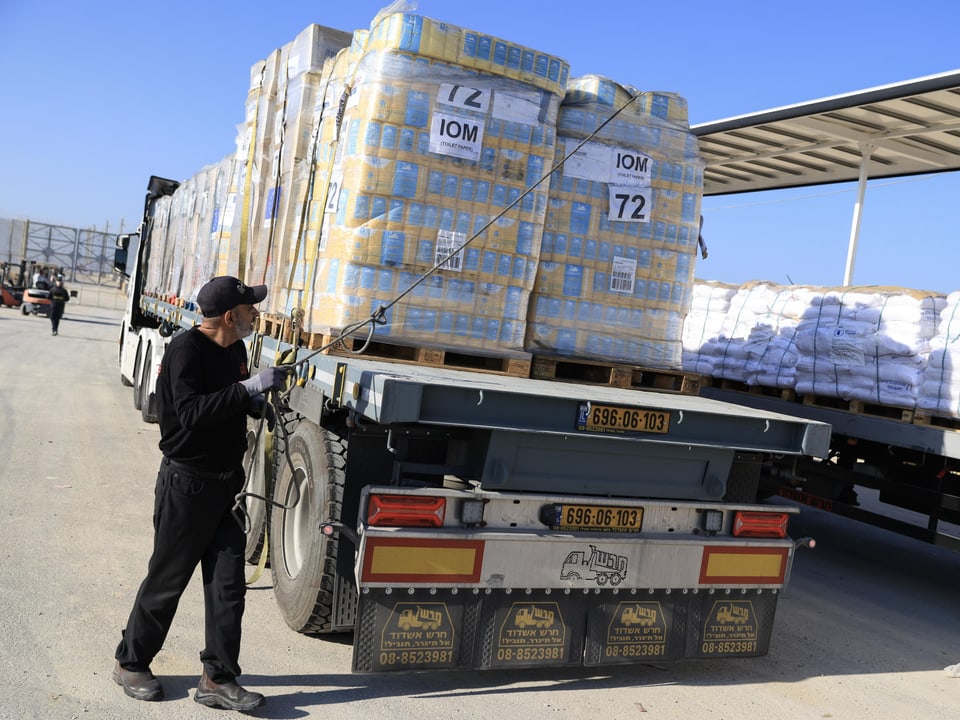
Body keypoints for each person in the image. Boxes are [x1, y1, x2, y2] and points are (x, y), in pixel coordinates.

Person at [113, 275, 286, 711]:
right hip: (186, 487)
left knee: (229, 588)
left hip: (226, 488)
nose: (255, 316)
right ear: (230, 316)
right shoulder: (184, 351)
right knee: (167, 580)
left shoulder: (237, 350)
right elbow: (191, 413)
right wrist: (246, 390)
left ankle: (217, 678)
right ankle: (131, 662)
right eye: (250, 310)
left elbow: (227, 399)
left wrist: (255, 402)